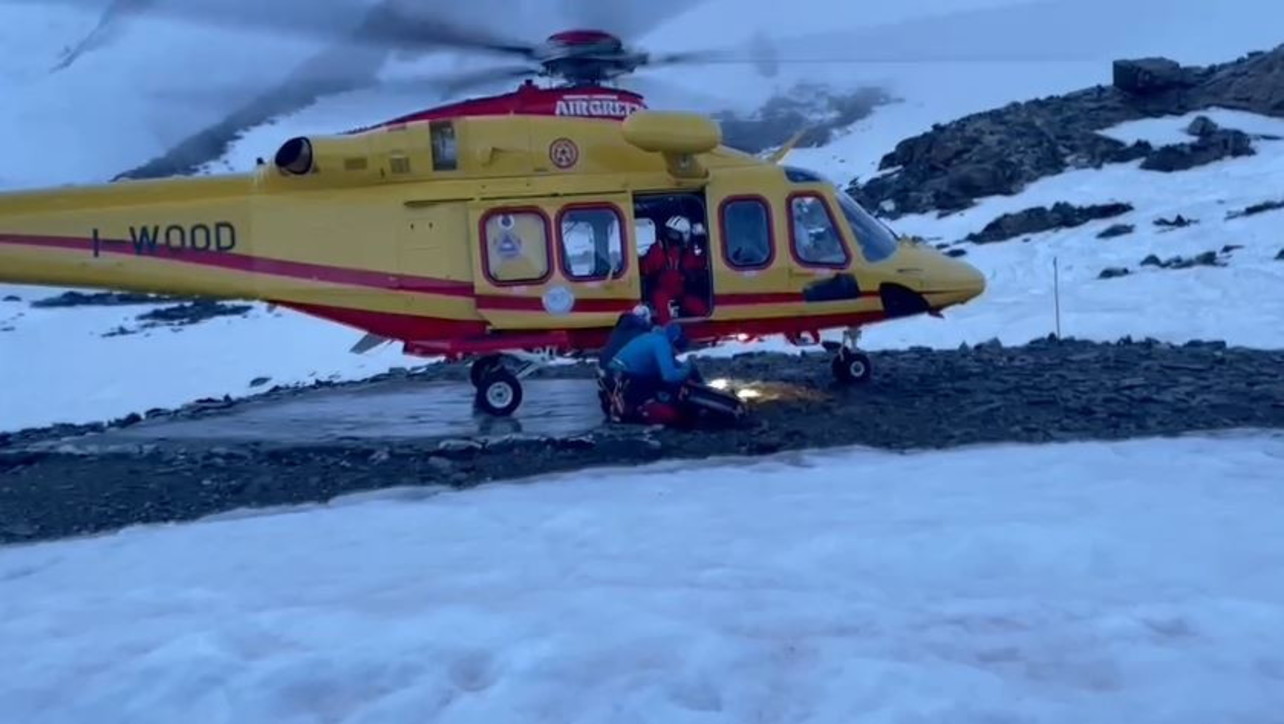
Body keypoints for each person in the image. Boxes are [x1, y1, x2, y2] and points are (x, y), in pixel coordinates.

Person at [606, 322, 698, 424]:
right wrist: (689, 366)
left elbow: (667, 363)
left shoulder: (651, 337)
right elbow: (669, 376)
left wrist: (681, 367)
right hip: (625, 377)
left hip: (614, 373)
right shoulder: (661, 343)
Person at [640, 215, 709, 324]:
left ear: (684, 236)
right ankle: (667, 330)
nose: (671, 237)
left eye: (675, 234)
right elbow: (646, 268)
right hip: (662, 290)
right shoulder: (658, 249)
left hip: (682, 292)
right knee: (661, 301)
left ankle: (708, 327)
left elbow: (698, 264)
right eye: (669, 233)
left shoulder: (688, 252)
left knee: (698, 307)